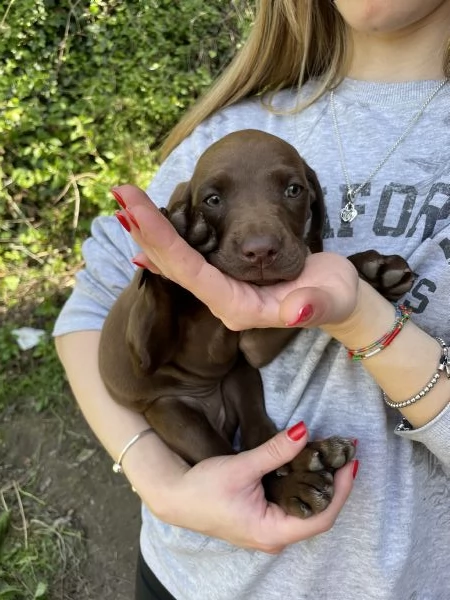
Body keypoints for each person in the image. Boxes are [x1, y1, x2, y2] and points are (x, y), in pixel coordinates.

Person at [54, 0, 450, 598]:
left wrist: (365, 316)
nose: (260, 239)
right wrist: (159, 480)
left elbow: (260, 346)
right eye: (214, 203)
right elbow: (90, 305)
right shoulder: (221, 134)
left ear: (309, 201)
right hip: (187, 575)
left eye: (291, 191)